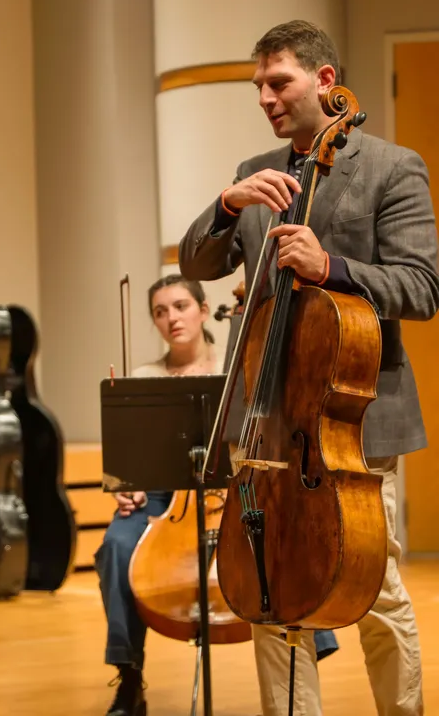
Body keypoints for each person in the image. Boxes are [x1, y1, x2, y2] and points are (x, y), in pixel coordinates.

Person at [179, 19, 439, 716]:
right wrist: (228, 203)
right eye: (258, 86)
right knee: (269, 589)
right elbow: (197, 263)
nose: (265, 97)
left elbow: (422, 288)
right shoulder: (255, 172)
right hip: (267, 422)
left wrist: (333, 268)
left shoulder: (392, 167)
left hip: (351, 422)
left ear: (325, 81)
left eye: (279, 82)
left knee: (375, 591)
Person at [95, 274, 337, 716]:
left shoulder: (237, 365)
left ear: (204, 311)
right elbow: (126, 460)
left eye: (181, 306)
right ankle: (128, 677)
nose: (172, 318)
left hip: (233, 489)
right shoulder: (144, 377)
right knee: (116, 545)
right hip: (164, 496)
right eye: (160, 312)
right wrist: (125, 487)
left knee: (282, 543)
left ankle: (301, 664)